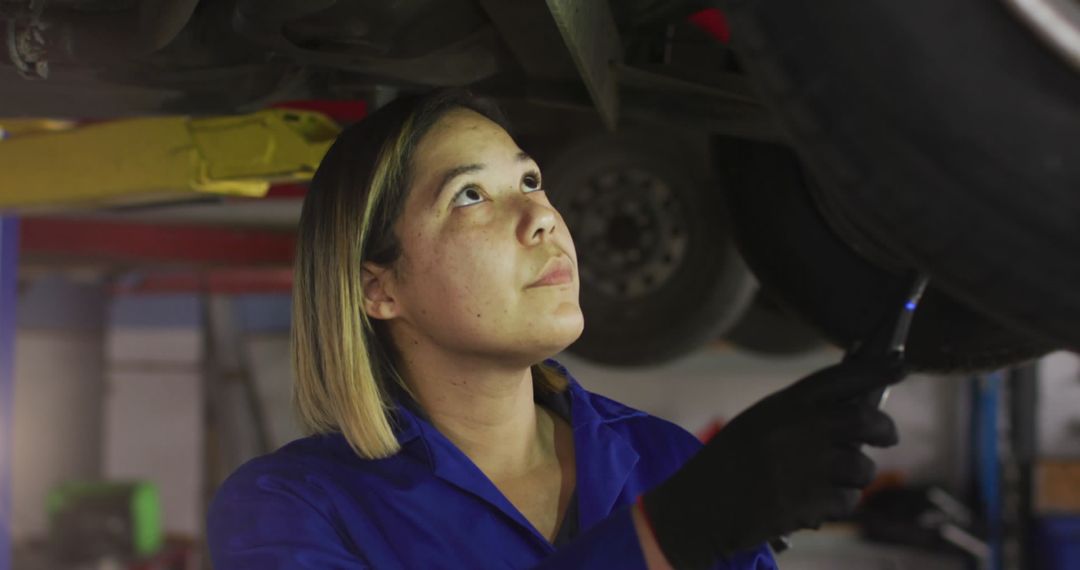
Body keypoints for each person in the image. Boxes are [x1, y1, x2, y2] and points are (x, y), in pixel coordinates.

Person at [207, 89, 905, 569]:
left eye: (533, 180)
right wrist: (666, 537)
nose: (542, 216)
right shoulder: (290, 507)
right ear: (378, 287)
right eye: (470, 195)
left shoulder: (664, 458)